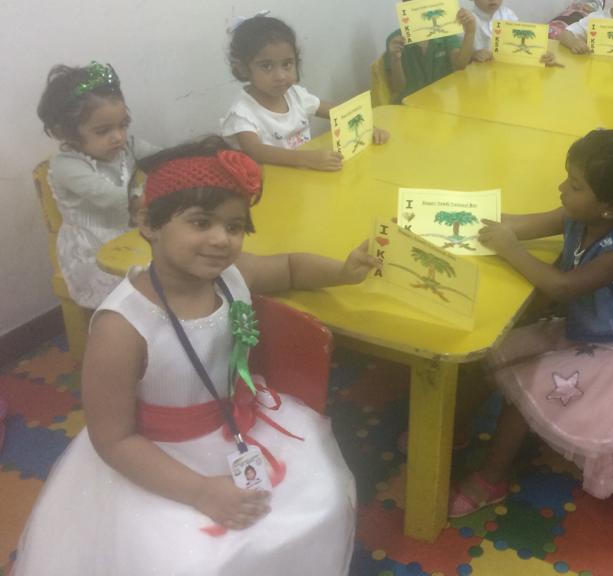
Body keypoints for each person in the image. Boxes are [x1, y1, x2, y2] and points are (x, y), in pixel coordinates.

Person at [15, 138, 376, 575]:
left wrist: (344, 271)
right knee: (188, 560)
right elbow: (113, 439)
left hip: (241, 426)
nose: (221, 239)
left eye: (235, 226)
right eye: (201, 222)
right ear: (149, 223)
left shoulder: (231, 275)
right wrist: (201, 492)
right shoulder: (122, 328)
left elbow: (289, 267)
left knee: (319, 498)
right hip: (158, 458)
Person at [448, 129, 613, 516]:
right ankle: (455, 429)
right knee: (494, 349)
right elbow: (519, 225)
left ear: (609, 208)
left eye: (575, 185)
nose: (562, 188)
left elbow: (562, 287)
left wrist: (510, 249)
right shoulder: (579, 215)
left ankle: (491, 478)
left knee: (526, 390)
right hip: (585, 329)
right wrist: (451, 217)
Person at [37, 62, 159, 309]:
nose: (118, 136)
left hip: (131, 235)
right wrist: (159, 195)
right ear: (66, 132)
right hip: (94, 250)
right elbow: (111, 197)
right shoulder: (66, 166)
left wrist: (191, 160)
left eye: (123, 125)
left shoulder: (127, 146)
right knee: (145, 292)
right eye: (103, 131)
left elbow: (163, 159)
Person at [221, 15, 388, 171]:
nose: (280, 76)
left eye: (287, 64)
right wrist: (306, 159)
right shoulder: (242, 113)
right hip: (269, 185)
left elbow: (338, 112)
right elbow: (256, 151)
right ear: (243, 69)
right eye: (266, 66)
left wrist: (367, 127)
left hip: (304, 176)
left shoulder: (296, 96)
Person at [384, 0, 477, 102]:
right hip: (410, 106)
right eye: (442, 3)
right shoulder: (396, 41)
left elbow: (460, 64)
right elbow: (398, 87)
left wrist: (470, 32)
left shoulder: (446, 34)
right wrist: (395, 59)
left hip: (443, 103)